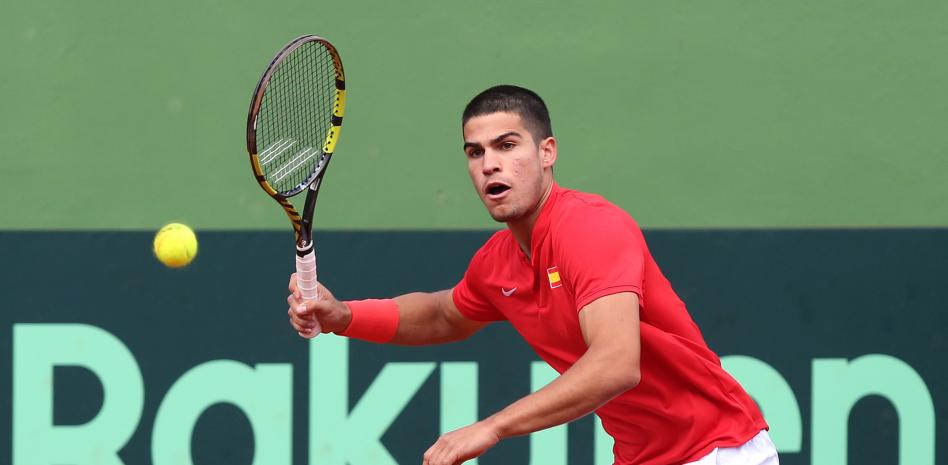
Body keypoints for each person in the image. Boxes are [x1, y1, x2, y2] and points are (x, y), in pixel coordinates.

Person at [286, 85, 778, 465]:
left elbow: (616, 363)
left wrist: (493, 427)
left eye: (507, 145)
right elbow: (443, 315)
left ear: (547, 152)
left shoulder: (589, 227)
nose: (490, 164)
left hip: (719, 450)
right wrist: (344, 315)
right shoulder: (498, 261)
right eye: (475, 153)